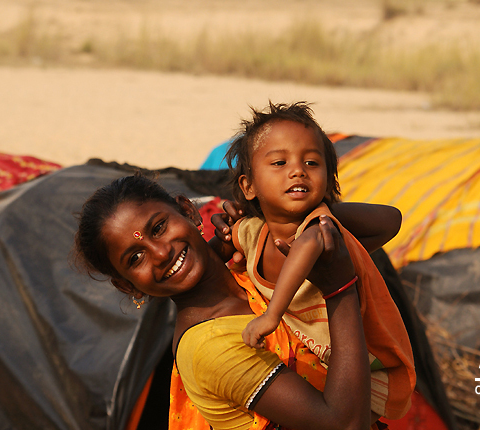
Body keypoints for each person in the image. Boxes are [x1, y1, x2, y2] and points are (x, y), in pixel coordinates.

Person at [73, 173, 377, 430]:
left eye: (159, 228)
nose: (161, 252)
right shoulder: (209, 346)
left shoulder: (248, 262)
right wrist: (340, 289)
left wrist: (280, 216)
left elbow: (383, 225)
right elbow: (344, 424)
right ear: (128, 285)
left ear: (188, 211)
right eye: (135, 257)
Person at [212, 101, 415, 421]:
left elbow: (309, 244)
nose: (297, 170)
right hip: (320, 367)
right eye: (279, 162)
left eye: (312, 162)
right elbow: (216, 251)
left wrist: (271, 316)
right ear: (248, 187)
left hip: (374, 369)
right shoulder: (253, 232)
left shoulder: (321, 225)